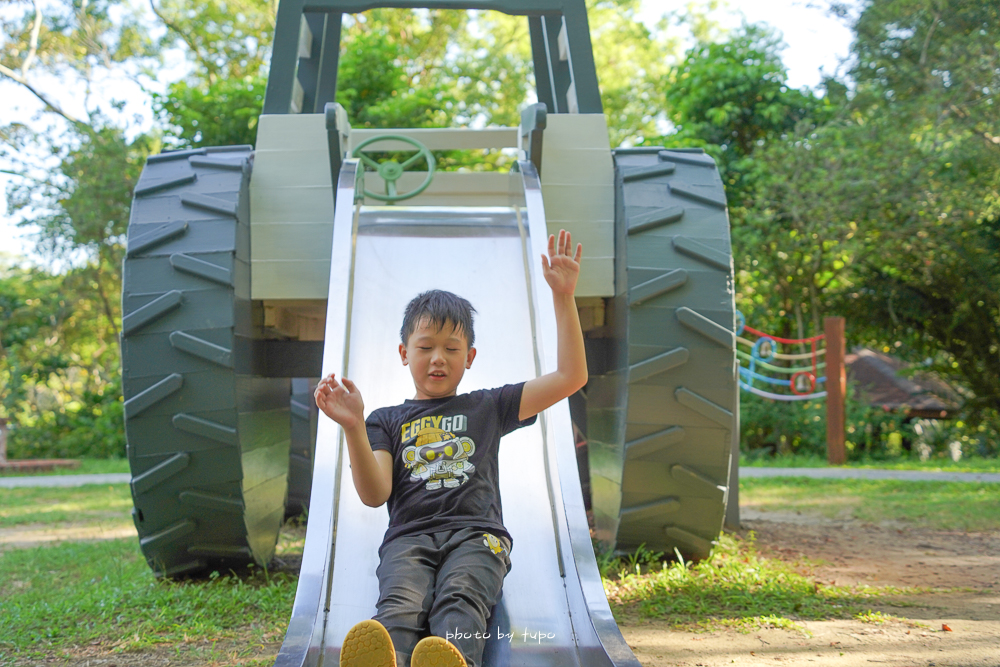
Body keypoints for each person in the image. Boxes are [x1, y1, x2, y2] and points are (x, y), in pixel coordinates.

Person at [314, 230, 587, 667]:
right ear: (404, 353)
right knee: (399, 605)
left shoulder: (489, 405)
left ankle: (451, 659)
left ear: (470, 357)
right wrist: (352, 427)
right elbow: (374, 493)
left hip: (478, 535)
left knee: (461, 600)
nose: (437, 358)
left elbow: (570, 377)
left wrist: (563, 297)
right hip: (409, 538)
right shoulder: (384, 419)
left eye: (451, 349)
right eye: (425, 347)